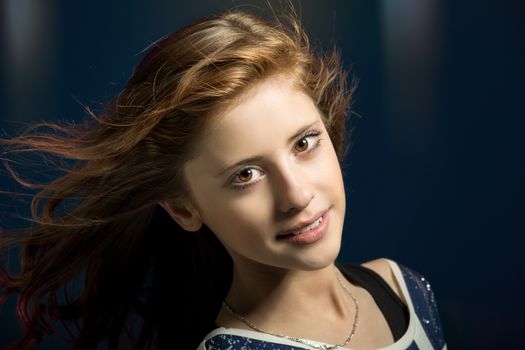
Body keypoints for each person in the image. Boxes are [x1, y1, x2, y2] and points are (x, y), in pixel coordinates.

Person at [0, 7, 446, 350]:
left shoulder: (402, 289)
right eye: (246, 175)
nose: (296, 195)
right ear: (183, 207)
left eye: (304, 144)